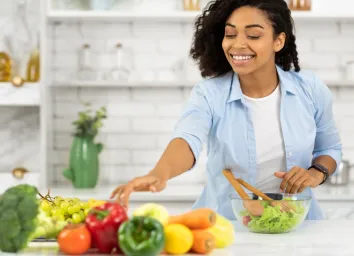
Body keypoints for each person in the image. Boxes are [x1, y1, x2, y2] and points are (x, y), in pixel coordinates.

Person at [111, 0, 342, 220]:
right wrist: (159, 174)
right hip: (227, 227)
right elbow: (187, 139)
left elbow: (329, 148)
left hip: (297, 224)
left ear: (278, 41)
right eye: (230, 34)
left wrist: (316, 173)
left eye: (253, 35)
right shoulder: (210, 94)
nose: (238, 44)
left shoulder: (309, 88)